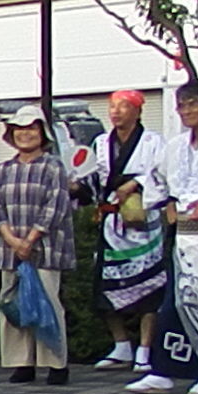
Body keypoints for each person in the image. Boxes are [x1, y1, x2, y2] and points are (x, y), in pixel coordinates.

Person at [126, 80, 198, 394]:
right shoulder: (174, 146)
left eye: (194, 104)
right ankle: (166, 368)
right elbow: (156, 181)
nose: (187, 110)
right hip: (185, 233)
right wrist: (166, 204)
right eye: (182, 105)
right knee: (179, 300)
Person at [78, 90, 167, 373]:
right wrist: (77, 187)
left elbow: (161, 175)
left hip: (143, 224)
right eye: (112, 106)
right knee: (104, 286)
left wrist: (136, 183)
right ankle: (121, 345)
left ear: (138, 111)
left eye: (124, 106)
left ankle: (144, 348)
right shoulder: (101, 143)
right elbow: (93, 179)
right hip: (111, 224)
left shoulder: (153, 142)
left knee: (149, 287)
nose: (116, 112)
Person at [0, 105, 75, 384]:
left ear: (43, 132)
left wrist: (31, 239)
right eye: (19, 129)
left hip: (46, 248)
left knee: (48, 304)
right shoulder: (3, 169)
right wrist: (12, 240)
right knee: (13, 304)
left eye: (31, 128)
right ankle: (21, 363)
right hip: (10, 249)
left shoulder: (53, 165)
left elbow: (56, 206)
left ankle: (56, 363)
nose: (25, 134)